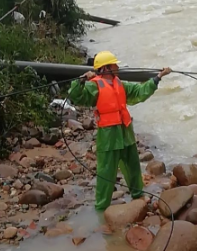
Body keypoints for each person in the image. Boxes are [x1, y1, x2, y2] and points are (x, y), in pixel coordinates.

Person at [68, 51, 171, 211]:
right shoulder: (93, 85)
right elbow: (77, 96)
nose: (117, 67)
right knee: (106, 171)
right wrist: (80, 81)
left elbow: (140, 91)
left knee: (133, 166)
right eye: (114, 64)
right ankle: (102, 208)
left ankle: (138, 197)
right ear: (106, 68)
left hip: (125, 132)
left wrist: (158, 77)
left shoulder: (120, 84)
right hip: (108, 136)